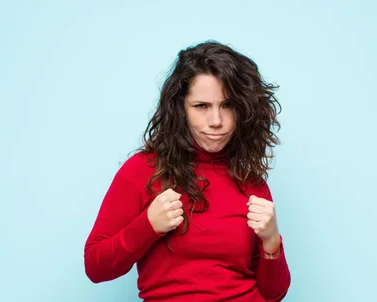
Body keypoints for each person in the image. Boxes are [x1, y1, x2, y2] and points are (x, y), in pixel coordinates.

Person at [84, 40, 291, 301]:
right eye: (201, 106)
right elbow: (95, 266)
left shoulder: (250, 181)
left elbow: (275, 294)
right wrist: (148, 226)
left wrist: (272, 241)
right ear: (180, 108)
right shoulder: (143, 170)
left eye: (227, 105)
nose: (216, 121)